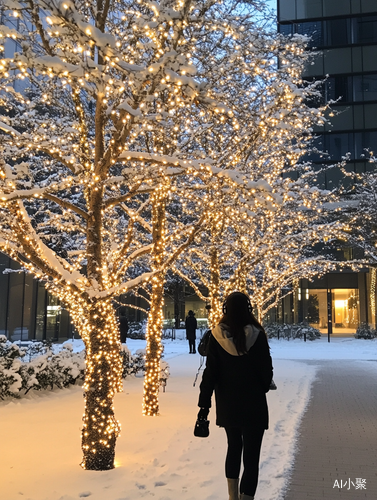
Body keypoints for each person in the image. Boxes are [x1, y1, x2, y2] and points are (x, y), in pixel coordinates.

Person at [197, 291, 273, 500]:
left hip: (228, 404)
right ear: (248, 309)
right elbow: (266, 371)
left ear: (225, 310)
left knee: (233, 447)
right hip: (254, 404)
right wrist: (262, 386)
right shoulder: (257, 335)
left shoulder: (216, 336)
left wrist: (204, 407)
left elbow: (210, 374)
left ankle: (232, 496)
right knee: (251, 457)